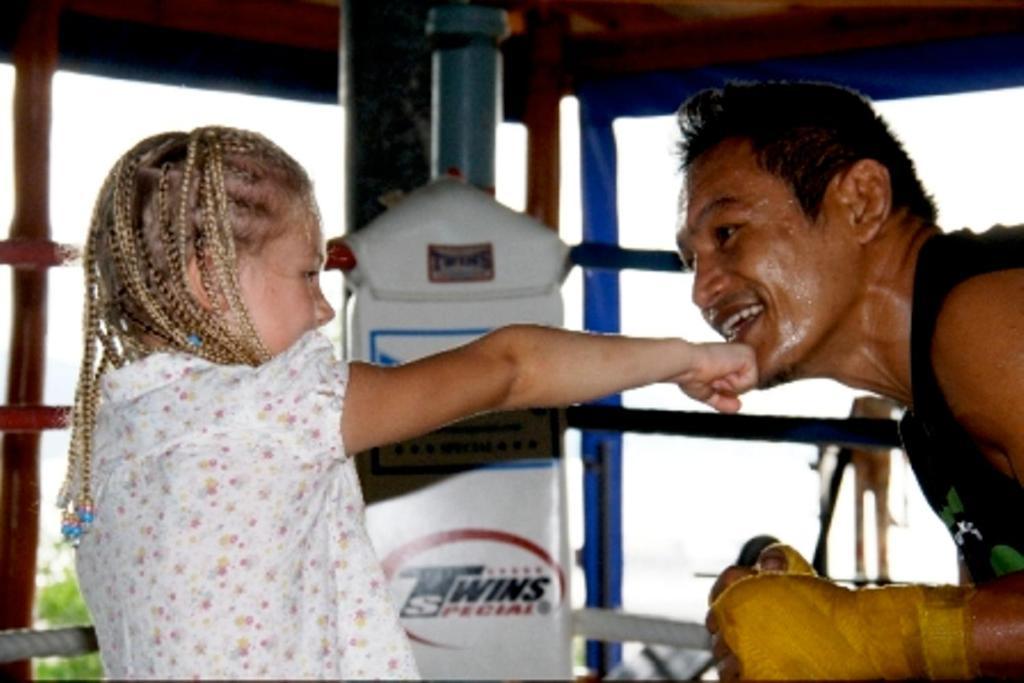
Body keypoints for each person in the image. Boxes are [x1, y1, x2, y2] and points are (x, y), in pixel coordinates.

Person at [56, 126, 757, 680]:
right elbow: (511, 367)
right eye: (306, 274)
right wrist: (685, 358)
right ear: (208, 278)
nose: (322, 307)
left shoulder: (111, 424)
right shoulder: (269, 409)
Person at [674, 80, 1024, 679]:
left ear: (861, 200)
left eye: (727, 233)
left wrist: (868, 633)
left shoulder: (986, 315)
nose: (702, 289)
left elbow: (922, 638)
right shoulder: (932, 412)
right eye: (691, 260)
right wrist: (821, 625)